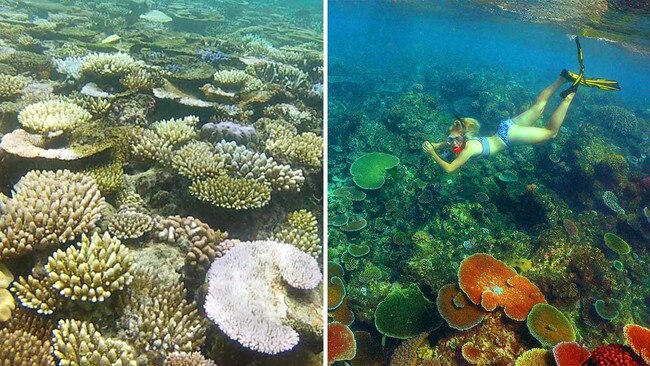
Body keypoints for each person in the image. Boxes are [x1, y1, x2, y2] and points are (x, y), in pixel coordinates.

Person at [422, 72, 578, 173]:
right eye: (451, 139)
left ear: (463, 136)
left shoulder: (467, 149)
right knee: (538, 107)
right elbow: (451, 142)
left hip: (508, 136)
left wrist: (433, 154)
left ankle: (569, 97)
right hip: (506, 126)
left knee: (551, 133)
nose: (451, 142)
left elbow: (449, 169)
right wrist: (436, 144)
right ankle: (562, 78)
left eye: (454, 139)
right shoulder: (463, 138)